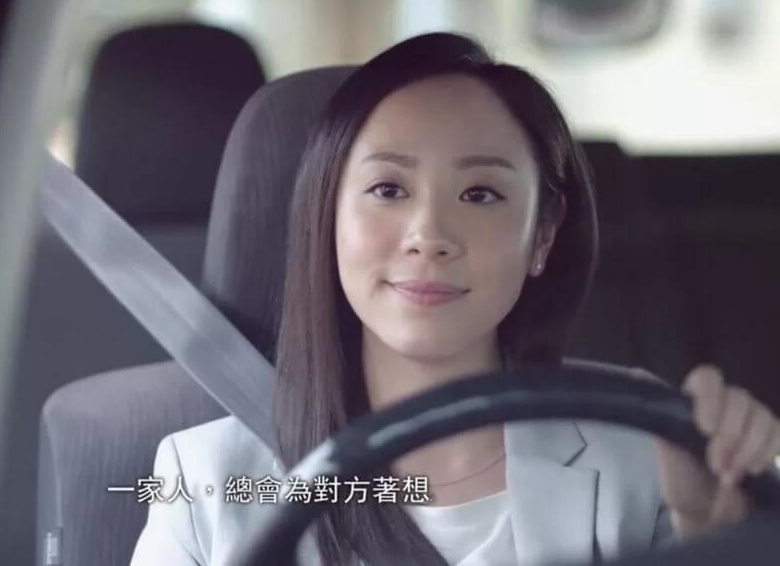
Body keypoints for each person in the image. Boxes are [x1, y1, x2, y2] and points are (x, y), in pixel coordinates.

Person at [129, 32, 780, 566]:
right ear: (328, 217)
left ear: (542, 236)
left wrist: (718, 539)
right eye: (388, 189)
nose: (430, 235)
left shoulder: (652, 457)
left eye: (480, 194)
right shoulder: (205, 480)